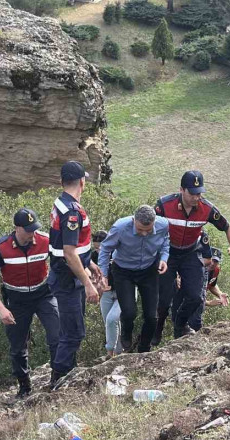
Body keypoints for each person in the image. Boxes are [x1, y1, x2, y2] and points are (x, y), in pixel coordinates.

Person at [153, 170, 230, 344]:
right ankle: (158, 329)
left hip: (191, 253)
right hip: (167, 252)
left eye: (199, 193)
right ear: (181, 190)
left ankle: (181, 324)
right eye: (192, 193)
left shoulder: (207, 209)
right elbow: (147, 226)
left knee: (196, 297)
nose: (196, 197)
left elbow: (228, 227)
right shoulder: (163, 205)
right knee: (164, 298)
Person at [0, 208, 58, 398]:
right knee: (17, 348)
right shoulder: (1, 247)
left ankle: (58, 379)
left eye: (34, 228)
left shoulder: (45, 240)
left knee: (57, 335)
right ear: (17, 228)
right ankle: (24, 387)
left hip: (44, 295)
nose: (32, 233)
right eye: (27, 229)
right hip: (16, 300)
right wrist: (1, 308)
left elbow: (65, 258)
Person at [47, 161, 102, 390]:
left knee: (71, 329)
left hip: (69, 275)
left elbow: (72, 248)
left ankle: (68, 371)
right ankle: (58, 380)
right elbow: (69, 253)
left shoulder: (61, 202)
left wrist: (90, 264)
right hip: (68, 280)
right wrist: (88, 283)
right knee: (74, 332)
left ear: (62, 181)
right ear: (82, 182)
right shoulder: (72, 211)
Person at [97, 205, 170, 353]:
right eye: (140, 230)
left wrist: (164, 258)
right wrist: (103, 275)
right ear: (133, 220)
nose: (144, 234)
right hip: (123, 271)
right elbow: (105, 249)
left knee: (152, 316)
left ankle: (144, 348)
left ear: (154, 223)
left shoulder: (163, 225)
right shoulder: (120, 227)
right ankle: (126, 333)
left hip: (148, 270)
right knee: (129, 312)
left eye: (148, 230)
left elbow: (165, 242)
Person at [92, 230, 122, 358]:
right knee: (109, 323)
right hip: (105, 294)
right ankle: (119, 353)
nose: (99, 251)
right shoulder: (93, 256)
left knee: (112, 319)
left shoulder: (119, 252)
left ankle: (110, 353)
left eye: (101, 248)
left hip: (122, 292)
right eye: (96, 248)